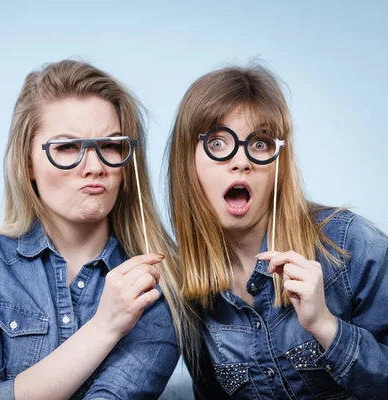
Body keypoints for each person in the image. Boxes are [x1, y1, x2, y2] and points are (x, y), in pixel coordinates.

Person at [0, 59, 182, 400]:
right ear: (27, 164)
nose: (94, 167)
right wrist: (104, 327)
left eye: (110, 145)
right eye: (66, 147)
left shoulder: (157, 282)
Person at [165, 64, 388, 399]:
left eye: (259, 143)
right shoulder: (188, 291)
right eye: (218, 142)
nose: (241, 161)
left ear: (278, 163)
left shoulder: (350, 245)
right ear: (188, 162)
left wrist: (325, 326)